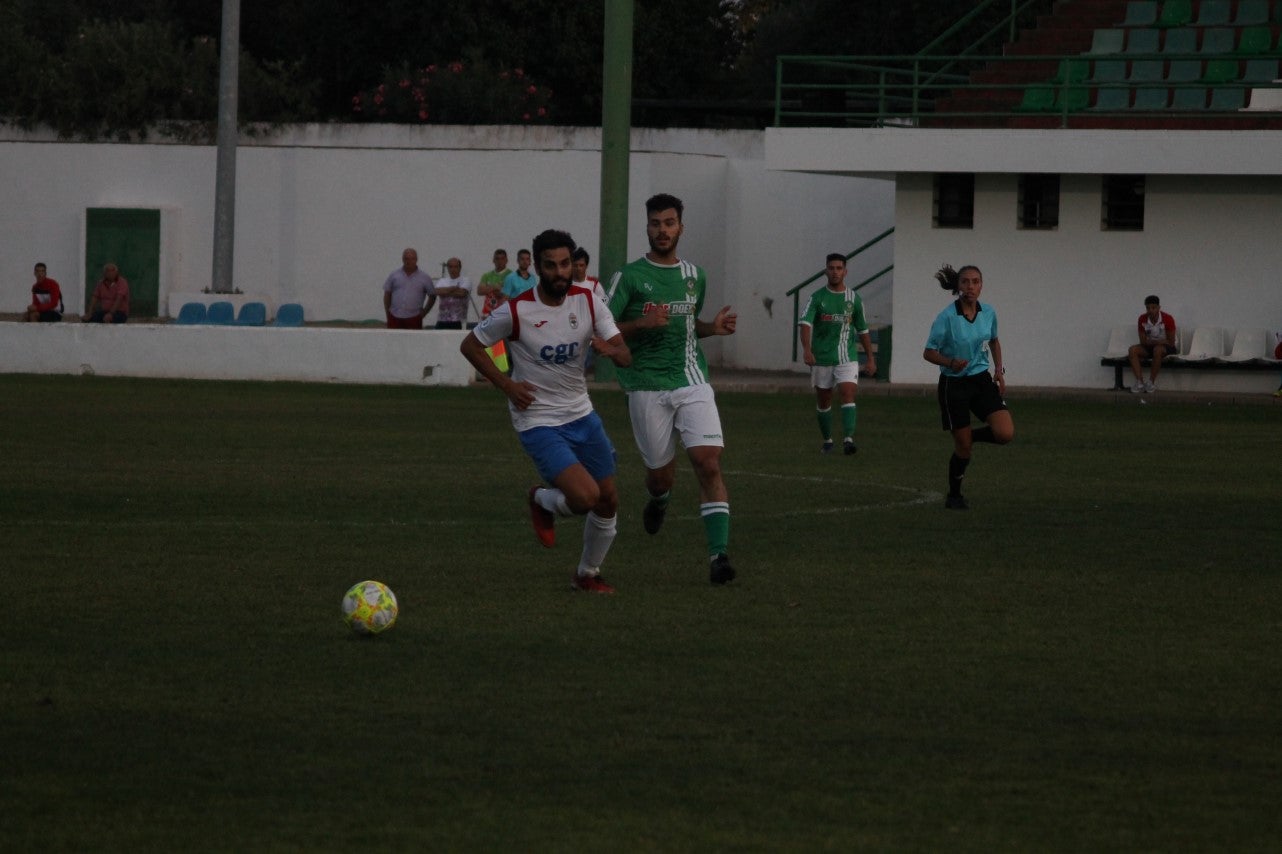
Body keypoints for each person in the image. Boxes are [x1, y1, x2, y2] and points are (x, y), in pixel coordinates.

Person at [460, 229, 632, 593]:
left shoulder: (589, 302)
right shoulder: (516, 310)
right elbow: (470, 346)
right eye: (551, 265)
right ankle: (540, 498)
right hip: (537, 418)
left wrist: (610, 350)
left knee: (609, 498)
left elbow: (625, 354)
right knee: (586, 497)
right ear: (537, 268)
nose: (560, 272)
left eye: (566, 264)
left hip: (581, 413)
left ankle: (587, 575)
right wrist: (507, 384)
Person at [606, 192, 738, 585]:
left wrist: (711, 329)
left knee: (708, 461)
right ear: (646, 227)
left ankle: (719, 557)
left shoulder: (695, 275)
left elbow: (686, 325)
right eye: (654, 224)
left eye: (668, 223)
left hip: (691, 380)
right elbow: (603, 327)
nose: (662, 231)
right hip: (646, 387)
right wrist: (639, 326)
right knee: (661, 477)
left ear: (681, 226)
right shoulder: (628, 277)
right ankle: (659, 499)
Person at [923, 264, 1014, 510]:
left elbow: (994, 341)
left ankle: (967, 436)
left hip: (981, 380)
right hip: (954, 384)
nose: (970, 287)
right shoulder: (947, 317)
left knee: (1005, 433)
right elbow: (928, 352)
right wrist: (950, 362)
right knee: (963, 449)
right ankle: (954, 495)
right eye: (965, 282)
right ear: (958, 286)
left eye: (975, 282)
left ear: (981, 285)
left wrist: (999, 371)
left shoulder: (989, 312)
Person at [798, 253, 877, 455]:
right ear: (826, 271)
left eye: (839, 268)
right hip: (822, 357)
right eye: (831, 268)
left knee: (847, 393)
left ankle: (848, 439)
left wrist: (870, 358)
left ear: (845, 271)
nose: (835, 272)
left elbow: (863, 330)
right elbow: (805, 324)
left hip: (847, 357)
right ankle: (827, 441)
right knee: (824, 400)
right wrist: (807, 350)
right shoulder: (817, 298)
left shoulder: (853, 299)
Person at [1126, 295, 1177, 394]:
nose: (1150, 311)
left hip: (1167, 348)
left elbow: (1171, 341)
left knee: (1157, 350)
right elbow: (1143, 341)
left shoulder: (1168, 318)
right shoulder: (1142, 319)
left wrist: (1153, 341)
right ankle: (1140, 382)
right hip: (1150, 347)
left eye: (1153, 308)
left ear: (1159, 308)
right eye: (1148, 308)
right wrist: (1158, 341)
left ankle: (1151, 382)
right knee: (1132, 350)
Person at [382, 248, 436, 329]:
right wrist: (388, 314)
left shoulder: (425, 277)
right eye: (406, 258)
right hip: (394, 317)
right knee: (393, 341)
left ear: (416, 260)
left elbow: (432, 296)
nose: (409, 261)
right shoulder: (394, 275)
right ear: (402, 259)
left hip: (414, 317)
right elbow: (387, 294)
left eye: (412, 259)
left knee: (414, 341)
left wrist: (424, 312)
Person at [433, 257, 472, 330]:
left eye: (455, 267)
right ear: (447, 268)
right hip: (442, 320)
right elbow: (436, 291)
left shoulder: (466, 280)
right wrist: (452, 288)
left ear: (460, 268)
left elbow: (462, 293)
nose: (453, 269)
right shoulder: (442, 281)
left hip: (458, 320)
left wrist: (445, 292)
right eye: (450, 267)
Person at [475, 248, 510, 317]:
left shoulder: (511, 275)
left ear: (506, 260)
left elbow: (506, 295)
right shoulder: (487, 275)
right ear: (493, 260)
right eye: (497, 259)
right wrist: (495, 287)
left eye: (502, 259)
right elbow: (479, 291)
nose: (499, 261)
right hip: (488, 314)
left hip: (505, 313)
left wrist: (489, 288)